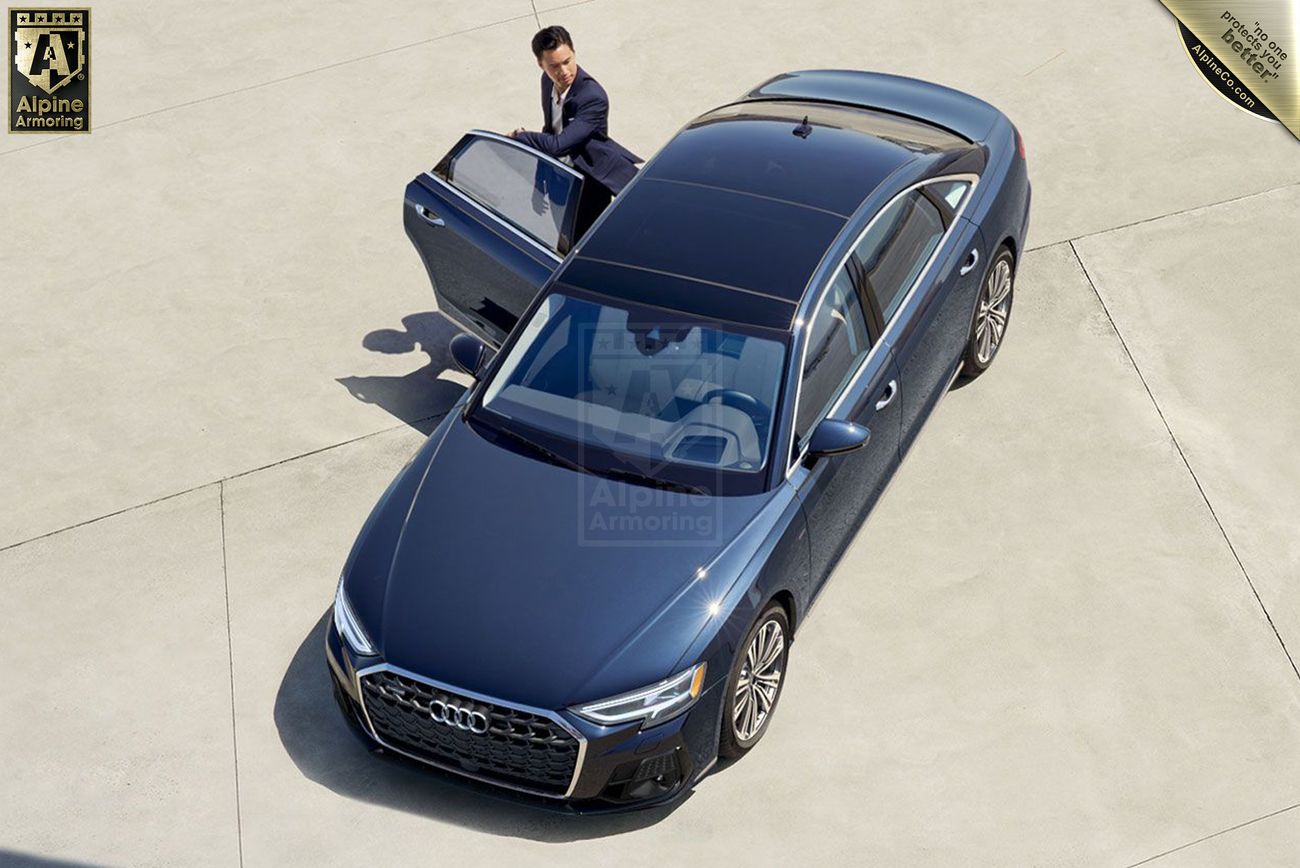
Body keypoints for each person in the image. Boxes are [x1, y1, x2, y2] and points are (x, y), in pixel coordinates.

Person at [509, 25, 642, 216]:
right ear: (541, 66)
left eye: (567, 61)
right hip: (558, 180)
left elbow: (558, 145)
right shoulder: (547, 81)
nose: (563, 71)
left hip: (588, 186)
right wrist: (540, 184)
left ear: (574, 53)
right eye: (554, 66)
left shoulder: (593, 97)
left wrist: (519, 135)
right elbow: (550, 130)